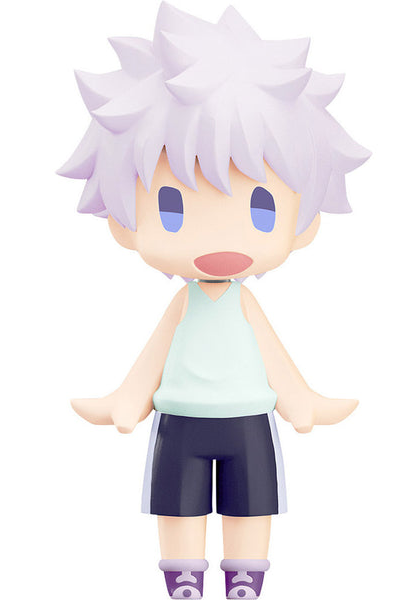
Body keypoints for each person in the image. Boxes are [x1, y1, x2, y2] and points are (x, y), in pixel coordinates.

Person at [59, 3, 369, 598]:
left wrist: (301, 401)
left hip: (249, 420)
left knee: (252, 504)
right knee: (177, 504)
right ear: (122, 223)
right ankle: (182, 578)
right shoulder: (183, 307)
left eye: (261, 208)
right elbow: (153, 360)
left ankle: (246, 578)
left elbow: (275, 362)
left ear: (305, 223)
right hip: (178, 420)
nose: (219, 242)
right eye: (171, 207)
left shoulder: (243, 306)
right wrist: (126, 399)